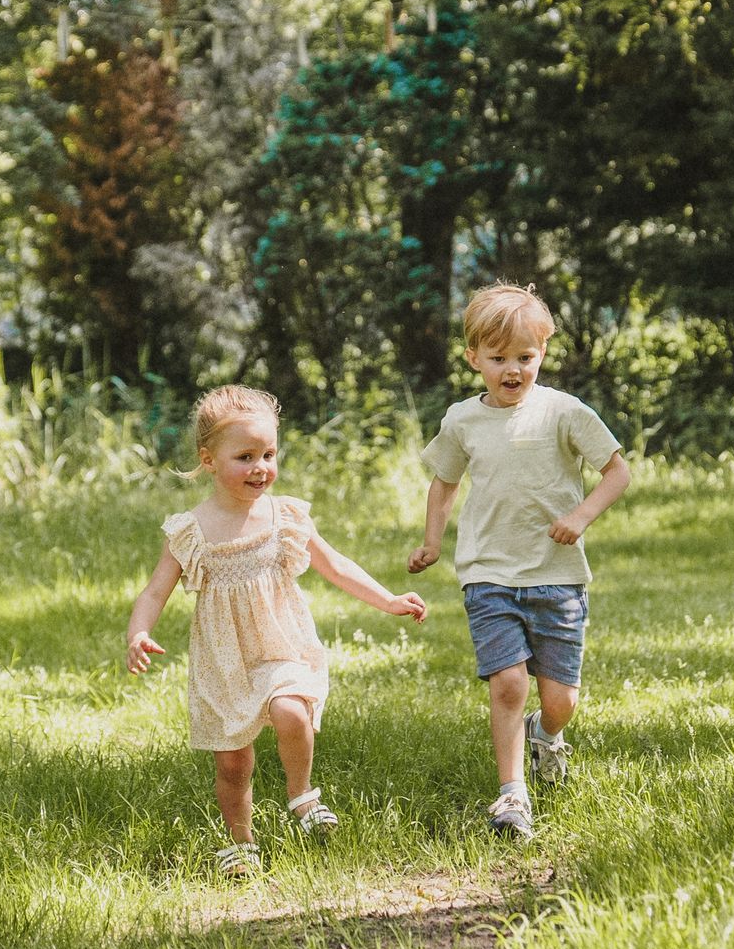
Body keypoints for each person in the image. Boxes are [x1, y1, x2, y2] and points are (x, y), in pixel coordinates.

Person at [125, 384, 430, 878]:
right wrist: (138, 633)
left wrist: (388, 600)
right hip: (224, 660)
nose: (260, 467)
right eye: (245, 457)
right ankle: (241, 843)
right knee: (233, 764)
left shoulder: (284, 515)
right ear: (208, 460)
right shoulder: (191, 530)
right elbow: (154, 592)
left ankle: (302, 796)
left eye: (268, 454)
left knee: (291, 710)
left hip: (280, 644)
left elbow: (335, 566)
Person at [406, 284, 633, 840]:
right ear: (473, 358)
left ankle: (546, 734)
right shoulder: (462, 419)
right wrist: (433, 542)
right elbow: (444, 483)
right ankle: (512, 796)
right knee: (507, 683)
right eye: (498, 358)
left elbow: (617, 471)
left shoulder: (563, 411)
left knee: (561, 700)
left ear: (543, 353)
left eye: (524, 358)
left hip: (558, 575)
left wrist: (580, 517)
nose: (512, 370)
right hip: (488, 572)